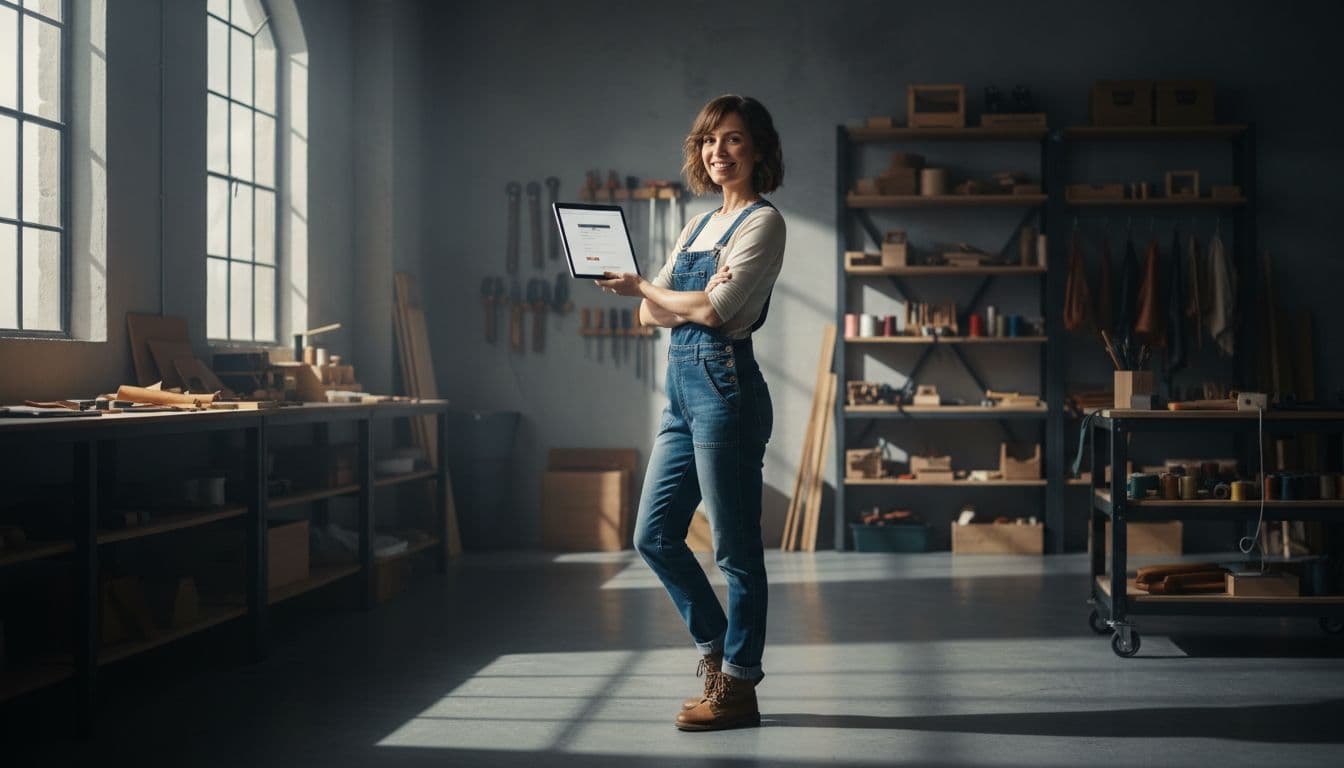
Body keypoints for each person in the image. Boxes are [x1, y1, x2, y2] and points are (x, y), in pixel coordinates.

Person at [595, 94, 785, 731]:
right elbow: (651, 316)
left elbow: (714, 313)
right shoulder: (697, 226)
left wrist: (650, 285)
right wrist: (662, 295)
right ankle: (718, 657)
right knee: (652, 535)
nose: (718, 152)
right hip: (682, 393)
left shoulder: (763, 222)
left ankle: (740, 686)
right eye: (709, 140)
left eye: (733, 139)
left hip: (727, 390)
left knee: (735, 552)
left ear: (758, 148)